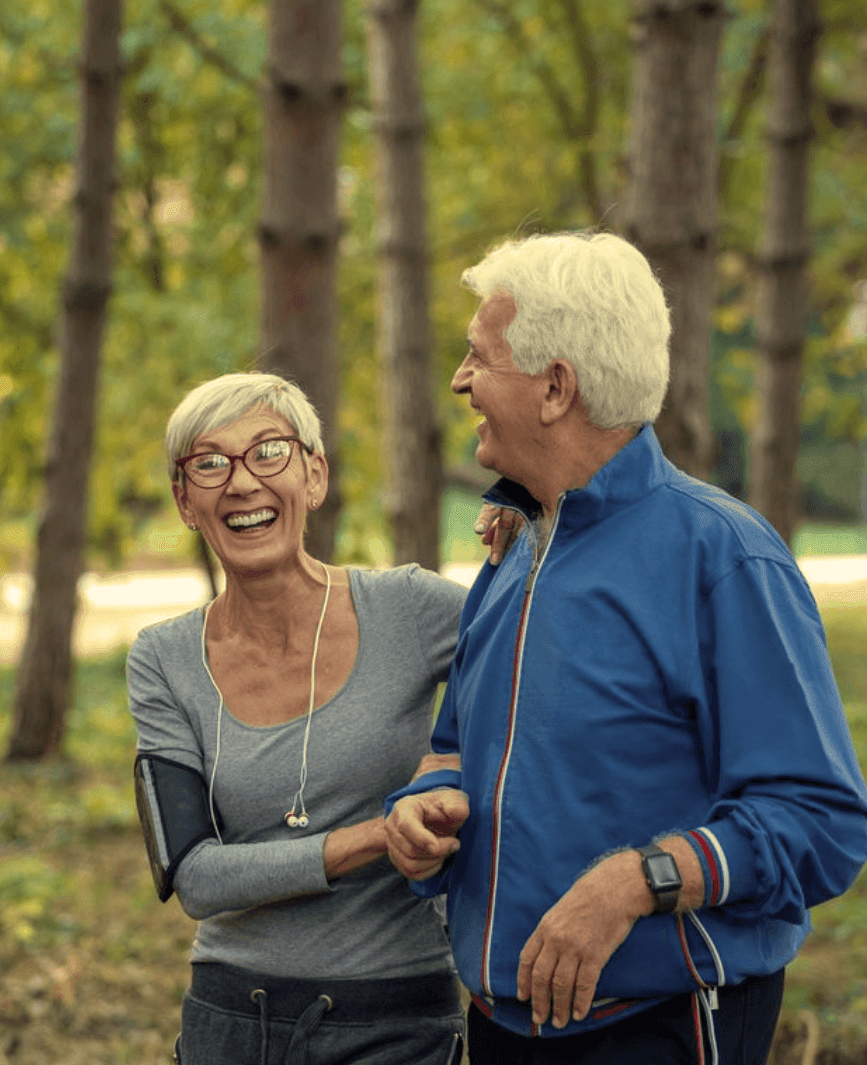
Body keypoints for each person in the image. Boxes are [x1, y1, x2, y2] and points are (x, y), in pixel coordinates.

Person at [383, 231, 867, 1065]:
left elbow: (820, 824)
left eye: (478, 357)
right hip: (498, 1026)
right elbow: (455, 747)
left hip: (657, 1028)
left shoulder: (723, 558)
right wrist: (425, 808)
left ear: (555, 387)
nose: (460, 381)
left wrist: (636, 883)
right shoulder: (514, 548)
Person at [128, 372, 470, 1065]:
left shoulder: (408, 610)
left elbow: (548, 670)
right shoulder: (163, 659)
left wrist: (459, 766)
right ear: (184, 500)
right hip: (230, 1020)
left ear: (314, 476)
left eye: (269, 452)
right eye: (210, 463)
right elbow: (195, 878)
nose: (242, 482)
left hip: (396, 1019)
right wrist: (378, 835)